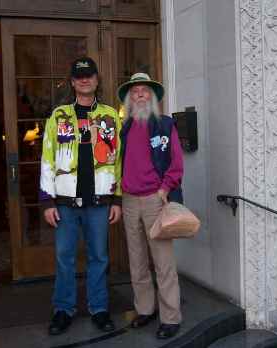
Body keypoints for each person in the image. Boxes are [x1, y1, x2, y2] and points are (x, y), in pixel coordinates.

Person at [40, 57, 122, 335]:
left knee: (99, 256)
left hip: (99, 202)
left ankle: (99, 309)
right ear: (73, 82)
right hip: (65, 203)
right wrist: (47, 200)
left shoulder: (111, 116)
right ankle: (63, 309)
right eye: (79, 76)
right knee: (65, 257)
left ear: (97, 80)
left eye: (89, 76)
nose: (85, 80)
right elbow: (48, 157)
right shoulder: (59, 115)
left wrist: (117, 199)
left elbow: (118, 160)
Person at [117, 72, 184, 339]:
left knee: (163, 262)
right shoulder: (125, 127)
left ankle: (171, 317)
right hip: (129, 200)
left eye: (145, 90)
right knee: (137, 261)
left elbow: (176, 164)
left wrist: (164, 189)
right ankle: (145, 309)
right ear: (130, 99)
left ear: (153, 96)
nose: (140, 95)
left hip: (156, 200)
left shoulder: (165, 125)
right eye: (135, 91)